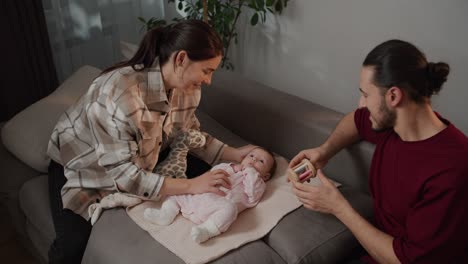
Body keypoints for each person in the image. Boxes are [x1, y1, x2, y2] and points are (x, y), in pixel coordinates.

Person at [46, 19, 257, 264]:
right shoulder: (119, 93)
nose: (208, 80)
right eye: (206, 71)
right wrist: (191, 186)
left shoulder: (187, 89)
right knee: (72, 247)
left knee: (219, 179)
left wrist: (237, 154)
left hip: (145, 156)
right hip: (83, 164)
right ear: (180, 59)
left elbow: (189, 134)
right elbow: (125, 176)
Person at [289, 39, 468, 263]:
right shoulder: (395, 125)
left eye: (365, 94)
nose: (361, 103)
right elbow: (356, 120)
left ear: (393, 96)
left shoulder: (452, 170)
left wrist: (338, 207)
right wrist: (324, 151)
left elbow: (407, 259)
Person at [144, 147, 276, 243]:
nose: (253, 160)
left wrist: (251, 173)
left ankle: (207, 230)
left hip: (216, 209)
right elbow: (213, 173)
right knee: (179, 188)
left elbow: (253, 195)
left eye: (261, 161)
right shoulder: (229, 167)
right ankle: (166, 213)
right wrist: (232, 168)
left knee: (230, 209)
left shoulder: (259, 183)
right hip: (198, 197)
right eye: (251, 156)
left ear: (266, 176)